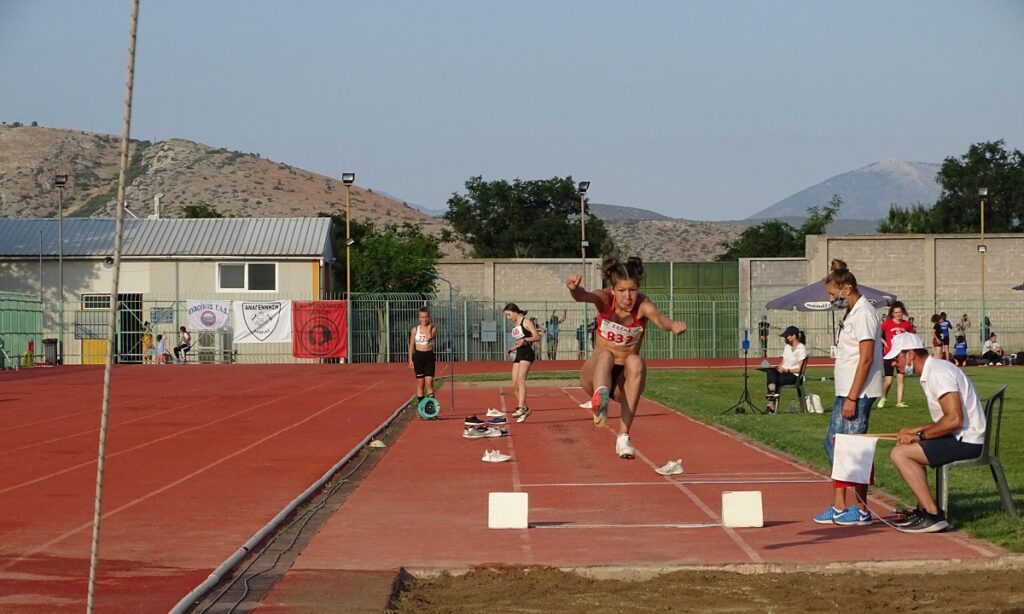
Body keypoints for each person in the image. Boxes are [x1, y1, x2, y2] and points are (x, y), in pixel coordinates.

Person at [567, 256, 688, 459]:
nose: (628, 297)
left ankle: (623, 437)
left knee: (636, 361)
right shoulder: (605, 299)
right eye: (622, 291)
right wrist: (573, 289)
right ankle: (600, 401)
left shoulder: (643, 305)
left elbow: (659, 319)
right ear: (613, 290)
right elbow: (584, 296)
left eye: (632, 290)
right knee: (606, 355)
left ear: (637, 288)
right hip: (596, 373)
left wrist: (672, 325)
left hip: (622, 382)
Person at [886, 333, 986, 533]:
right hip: (962, 435)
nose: (894, 364)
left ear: (910, 354)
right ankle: (923, 509)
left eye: (896, 358)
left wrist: (920, 436)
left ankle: (933, 516)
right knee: (905, 447)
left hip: (967, 440)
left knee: (900, 454)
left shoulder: (937, 373)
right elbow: (949, 420)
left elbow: (954, 419)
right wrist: (914, 430)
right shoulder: (935, 370)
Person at [813, 259, 883, 526]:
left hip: (858, 393)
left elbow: (865, 359)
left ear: (847, 288)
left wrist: (853, 396)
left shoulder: (865, 313)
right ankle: (840, 506)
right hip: (845, 391)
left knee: (853, 451)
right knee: (835, 446)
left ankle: (862, 510)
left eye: (833, 294)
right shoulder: (852, 313)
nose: (831, 300)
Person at [504, 304, 541, 422]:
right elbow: (519, 341)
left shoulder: (526, 322)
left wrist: (525, 340)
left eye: (508, 315)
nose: (508, 318)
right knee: (514, 385)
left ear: (514, 311)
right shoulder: (516, 325)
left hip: (527, 353)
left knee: (521, 379)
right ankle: (526, 409)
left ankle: (520, 408)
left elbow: (537, 337)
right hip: (519, 353)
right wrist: (513, 348)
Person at [879, 301, 915, 408]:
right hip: (889, 355)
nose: (898, 314)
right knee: (888, 381)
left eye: (900, 312)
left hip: (901, 356)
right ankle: (884, 397)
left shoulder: (907, 324)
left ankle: (899, 402)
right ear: (892, 313)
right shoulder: (887, 323)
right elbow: (877, 334)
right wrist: (884, 343)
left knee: (901, 379)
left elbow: (911, 338)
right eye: (896, 312)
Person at [764, 326, 806, 414]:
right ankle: (772, 393)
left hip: (794, 376)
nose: (785, 338)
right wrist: (778, 368)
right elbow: (783, 362)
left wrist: (787, 370)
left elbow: (800, 369)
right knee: (770, 371)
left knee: (775, 380)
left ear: (793, 336)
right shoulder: (787, 347)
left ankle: (771, 404)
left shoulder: (801, 348)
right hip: (784, 372)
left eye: (786, 336)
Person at [408, 306, 437, 404]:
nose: (424, 319)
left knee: (429, 382)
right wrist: (410, 359)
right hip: (418, 357)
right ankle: (421, 408)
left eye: (426, 317)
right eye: (422, 317)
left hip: (429, 357)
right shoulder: (415, 330)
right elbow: (412, 344)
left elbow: (428, 337)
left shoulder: (433, 328)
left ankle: (431, 408)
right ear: (419, 318)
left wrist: (428, 327)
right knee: (420, 383)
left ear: (429, 317)